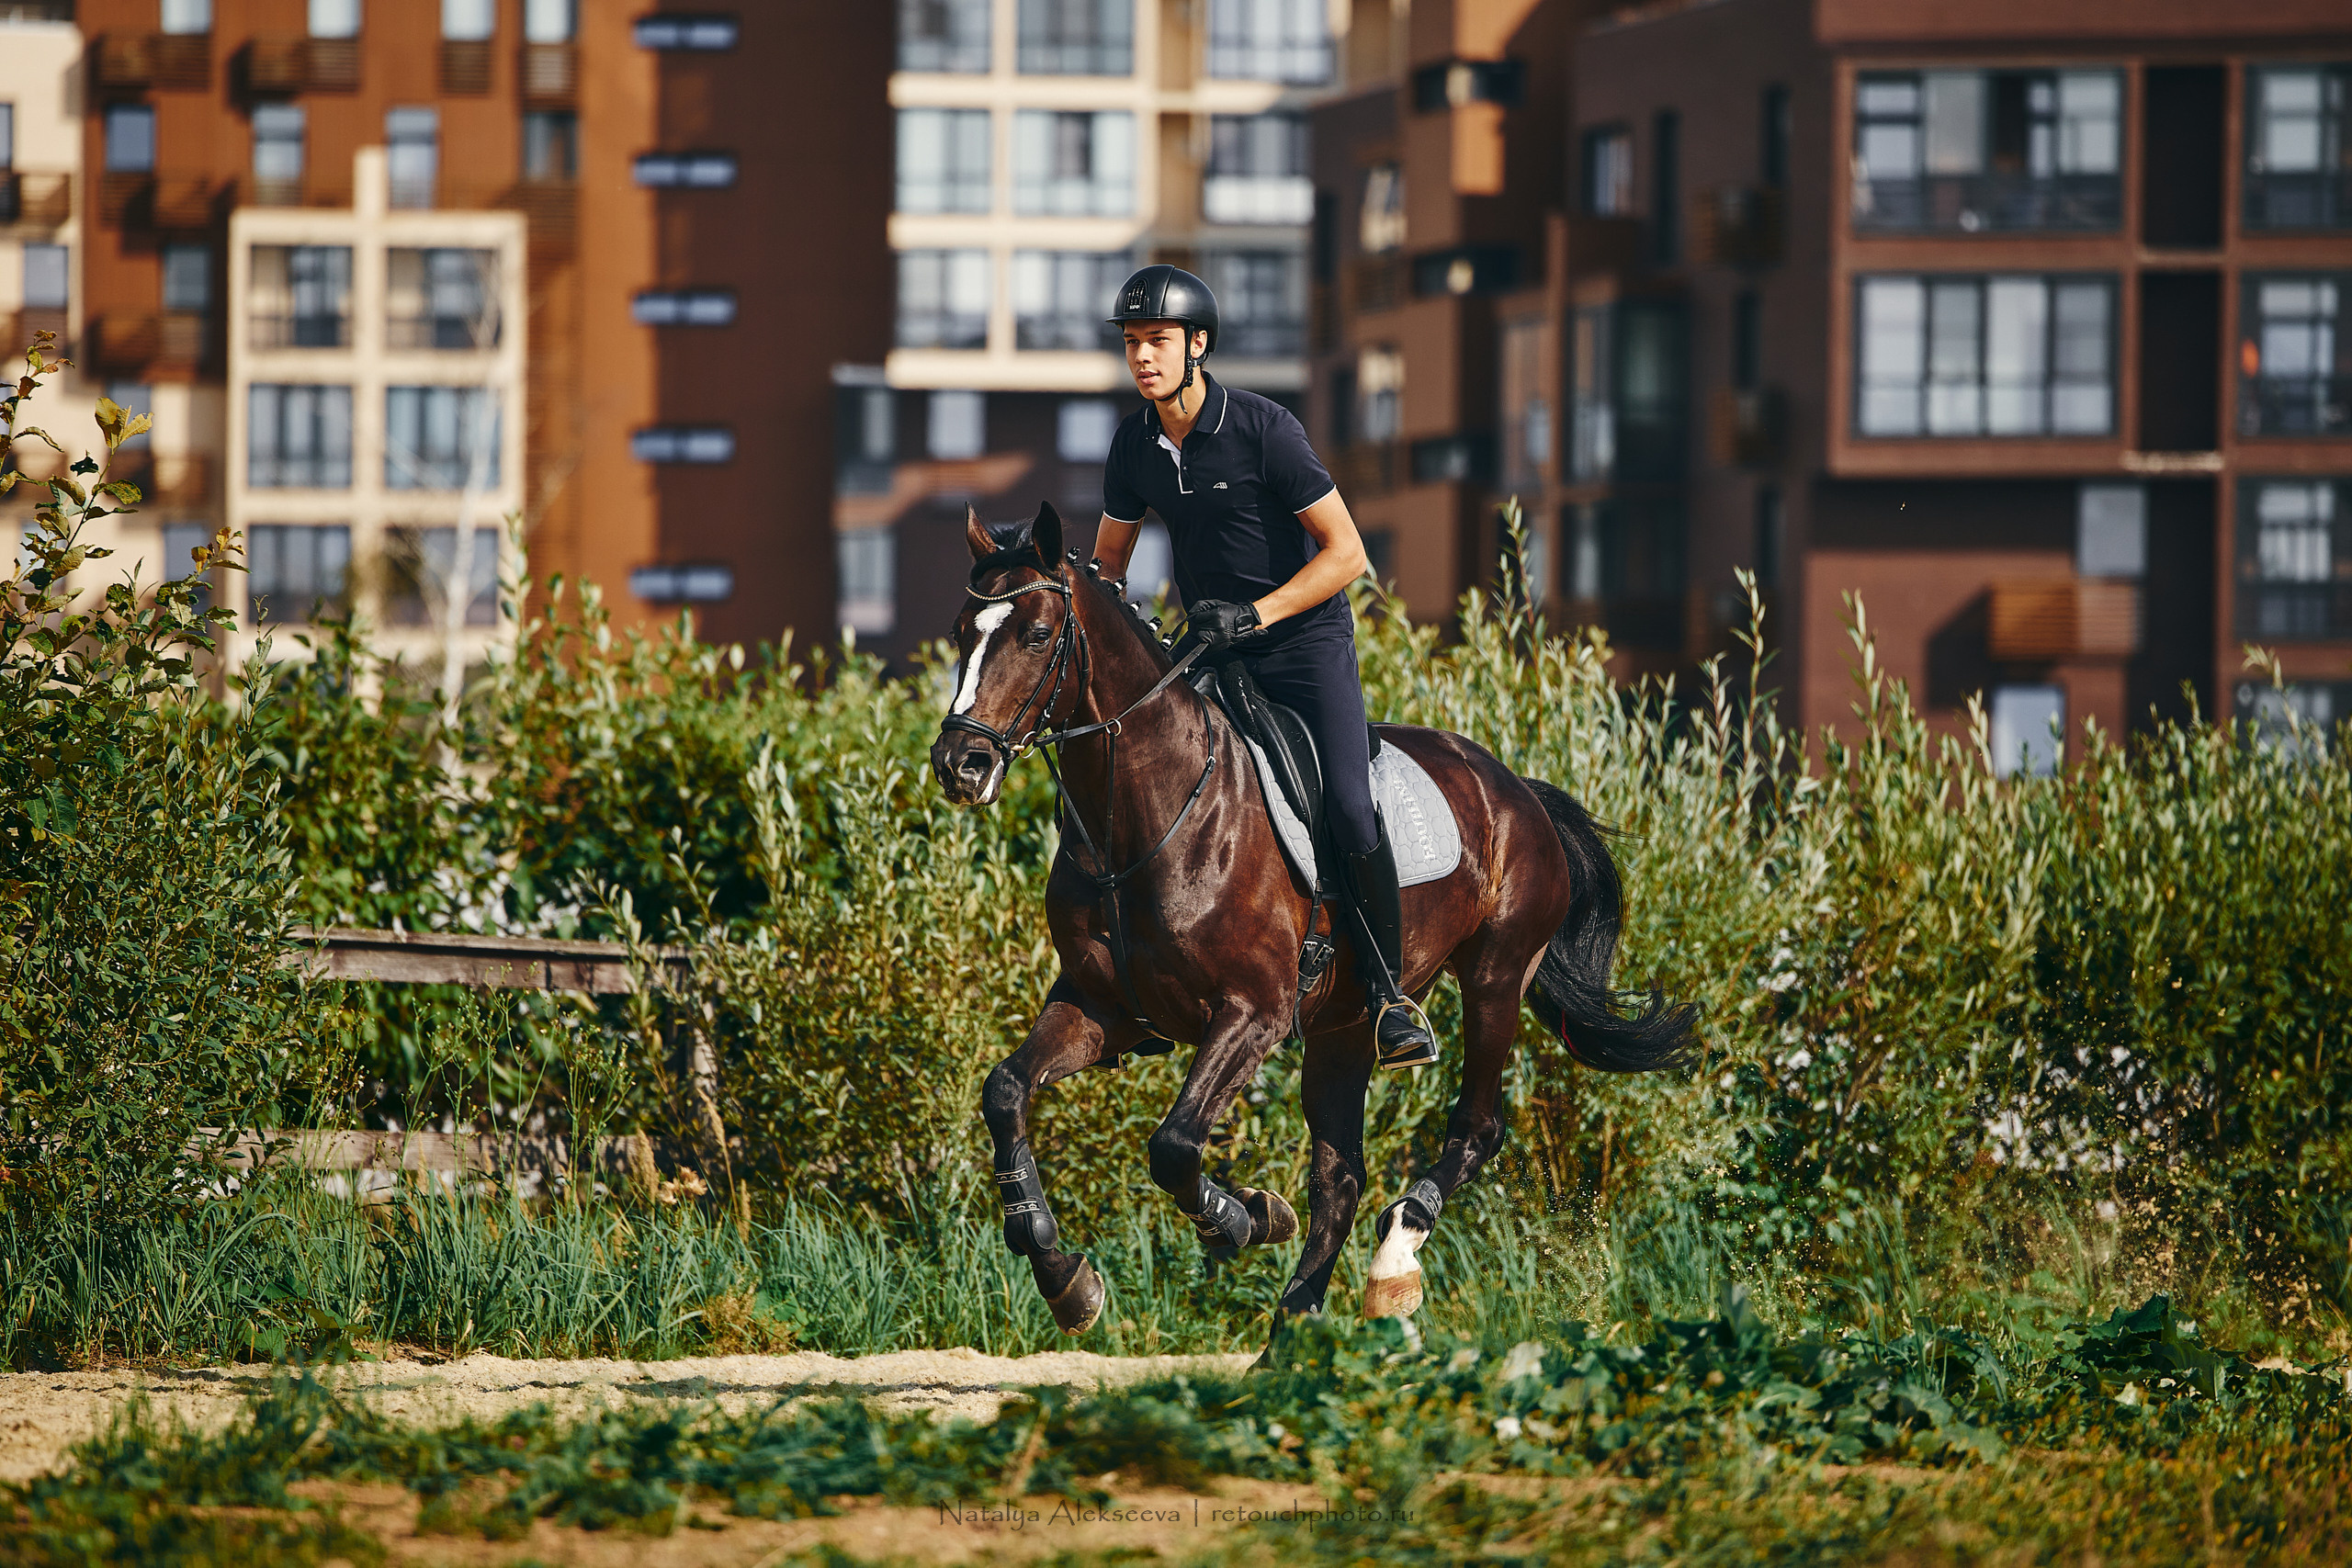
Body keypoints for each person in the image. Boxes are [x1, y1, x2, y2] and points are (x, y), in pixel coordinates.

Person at [1089, 264, 1438, 1071]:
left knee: (1350, 805)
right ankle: (1138, 983)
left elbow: (1348, 554)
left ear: (1198, 346)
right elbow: (1109, 567)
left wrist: (1255, 614)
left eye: (1157, 343)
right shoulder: (1133, 445)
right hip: (1212, 648)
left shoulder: (1263, 429)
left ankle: (1389, 997)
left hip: (1304, 646)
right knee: (1138, 777)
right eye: (1133, 344)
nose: (1142, 358)